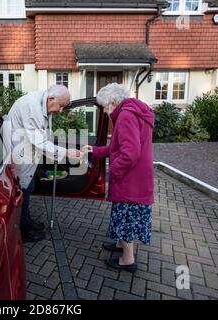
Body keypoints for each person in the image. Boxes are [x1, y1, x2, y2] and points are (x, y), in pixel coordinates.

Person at [82, 83, 155, 272]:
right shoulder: (135, 111)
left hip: (130, 178)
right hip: (138, 176)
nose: (105, 112)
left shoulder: (125, 116)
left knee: (126, 216)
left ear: (113, 101)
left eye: (105, 107)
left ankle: (127, 260)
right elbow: (119, 147)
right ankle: (121, 245)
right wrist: (96, 150)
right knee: (124, 214)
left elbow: (129, 153)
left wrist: (113, 170)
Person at [7, 85, 82, 243]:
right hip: (20, 155)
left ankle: (27, 221)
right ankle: (24, 229)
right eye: (60, 106)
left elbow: (42, 135)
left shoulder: (44, 104)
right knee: (23, 191)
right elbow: (39, 142)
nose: (60, 111)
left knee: (30, 187)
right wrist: (66, 152)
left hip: (29, 155)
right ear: (51, 98)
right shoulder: (31, 106)